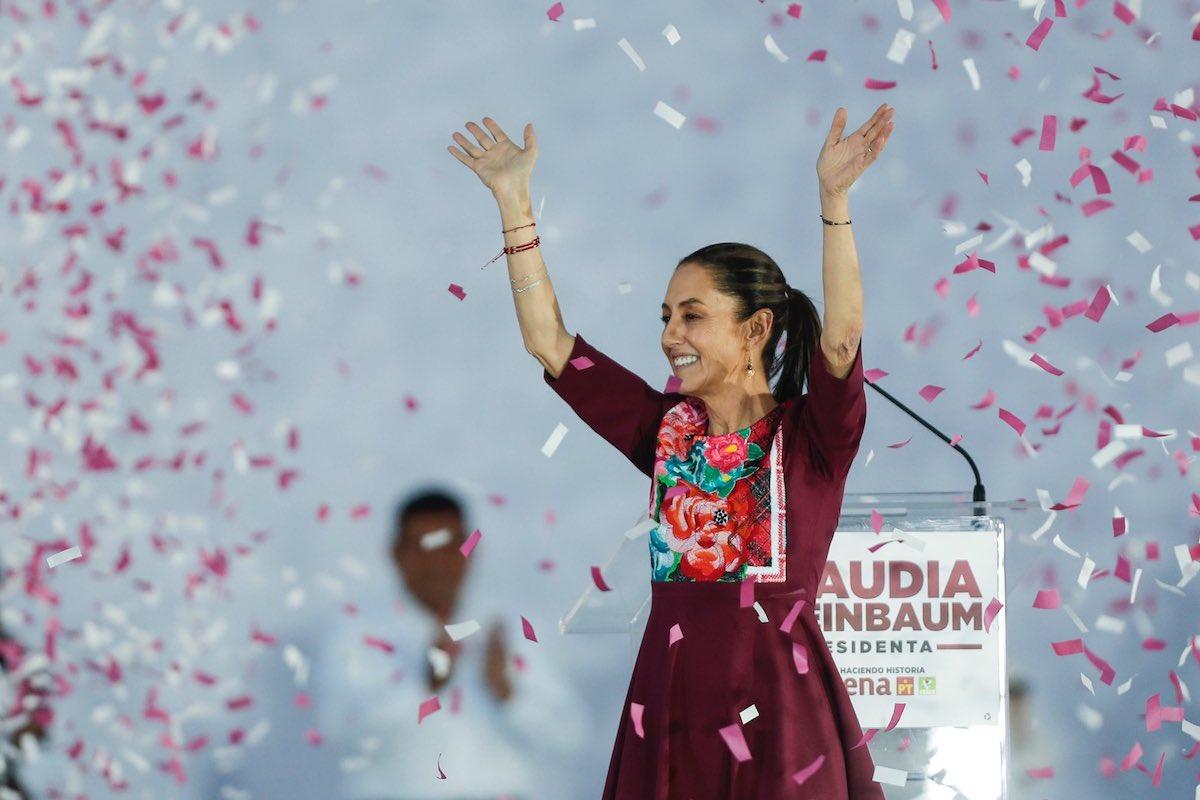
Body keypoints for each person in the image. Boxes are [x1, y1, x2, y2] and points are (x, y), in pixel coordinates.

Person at [446, 104, 895, 798]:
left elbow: (841, 340)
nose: (670, 335)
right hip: (674, 710)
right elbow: (550, 344)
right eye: (665, 316)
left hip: (781, 717)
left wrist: (834, 202)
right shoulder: (666, 434)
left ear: (756, 330)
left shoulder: (814, 439)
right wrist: (513, 203)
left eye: (693, 315)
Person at [314, 486, 589, 800]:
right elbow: (337, 730)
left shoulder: (512, 626)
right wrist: (422, 686)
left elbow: (570, 735)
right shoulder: (355, 630)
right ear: (395, 552)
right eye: (422, 547)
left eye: (448, 546)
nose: (436, 563)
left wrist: (508, 694)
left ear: (470, 549)